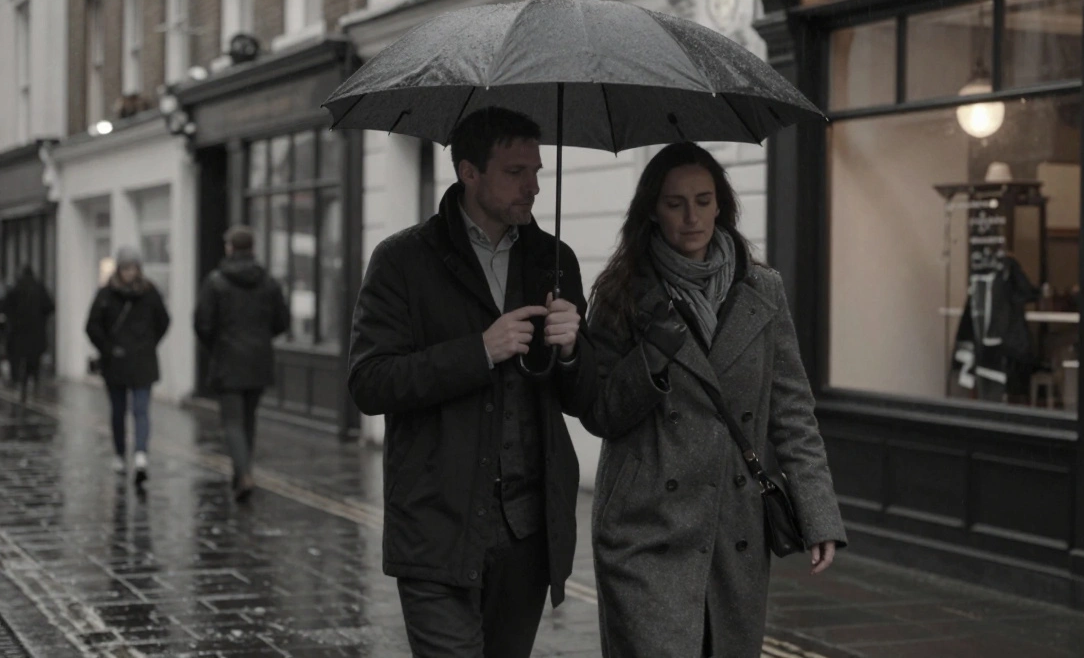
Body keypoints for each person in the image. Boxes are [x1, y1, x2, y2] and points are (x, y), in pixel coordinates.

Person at [348, 107, 596, 658]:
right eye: (515, 171)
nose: (533, 186)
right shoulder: (402, 260)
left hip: (528, 533)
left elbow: (584, 400)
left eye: (537, 170)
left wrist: (574, 348)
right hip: (438, 522)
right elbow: (369, 382)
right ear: (469, 172)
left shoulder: (555, 261)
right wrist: (478, 351)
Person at [582, 142, 847, 657]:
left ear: (721, 204)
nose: (691, 217)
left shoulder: (762, 289)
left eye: (703, 200)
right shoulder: (622, 292)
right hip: (645, 528)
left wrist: (819, 515)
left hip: (732, 526)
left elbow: (792, 412)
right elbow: (599, 413)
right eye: (675, 203)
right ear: (652, 211)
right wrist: (650, 361)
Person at [195, 226, 289, 502]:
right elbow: (281, 321)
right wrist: (260, 338)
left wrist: (216, 346)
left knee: (232, 421)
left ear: (230, 248)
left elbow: (203, 322)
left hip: (227, 359)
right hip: (259, 359)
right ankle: (241, 475)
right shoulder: (268, 281)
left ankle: (244, 473)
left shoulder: (215, 282)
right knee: (248, 419)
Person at [86, 246, 170, 484]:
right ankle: (121, 454)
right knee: (119, 411)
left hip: (138, 360)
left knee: (140, 410)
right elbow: (92, 326)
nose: (129, 272)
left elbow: (163, 321)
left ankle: (140, 454)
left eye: (132, 268)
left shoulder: (147, 292)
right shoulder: (106, 295)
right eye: (125, 268)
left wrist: (148, 344)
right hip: (117, 362)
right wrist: (108, 348)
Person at [3, 265, 55, 410]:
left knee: (20, 361)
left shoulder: (16, 289)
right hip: (36, 333)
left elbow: (5, 307)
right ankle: (34, 386)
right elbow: (50, 306)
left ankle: (22, 388)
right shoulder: (39, 288)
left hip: (19, 333)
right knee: (34, 361)